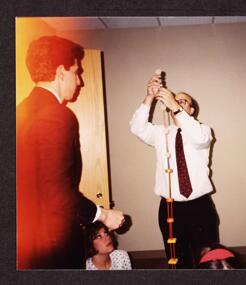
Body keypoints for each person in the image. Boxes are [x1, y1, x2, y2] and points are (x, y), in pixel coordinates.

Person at [16, 36, 125, 269]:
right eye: (77, 72)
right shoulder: (57, 115)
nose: (80, 81)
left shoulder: (21, 111)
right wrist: (104, 215)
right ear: (60, 71)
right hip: (53, 246)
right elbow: (57, 192)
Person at [129, 73, 219, 268]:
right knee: (178, 260)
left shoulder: (203, 130)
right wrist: (149, 97)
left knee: (209, 259)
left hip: (200, 207)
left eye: (183, 102)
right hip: (170, 208)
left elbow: (198, 138)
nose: (177, 103)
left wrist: (175, 107)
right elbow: (137, 128)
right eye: (175, 101)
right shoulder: (161, 133)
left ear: (192, 110)